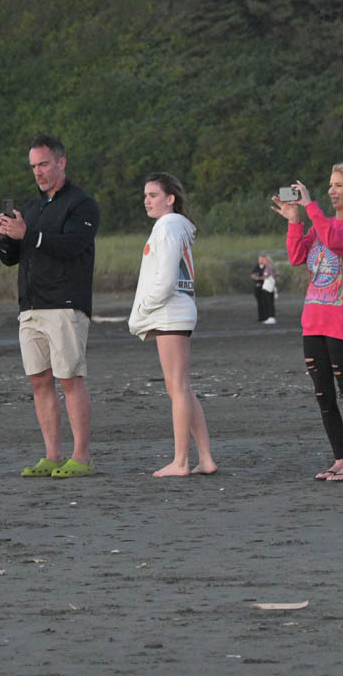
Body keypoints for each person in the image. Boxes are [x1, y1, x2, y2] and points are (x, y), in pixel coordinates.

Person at [271, 163, 343, 482]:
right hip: (314, 321)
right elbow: (296, 256)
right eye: (330, 186)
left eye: (338, 186)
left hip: (341, 322)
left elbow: (333, 240)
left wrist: (310, 206)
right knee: (323, 394)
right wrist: (295, 222)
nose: (331, 191)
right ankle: (340, 459)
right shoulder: (320, 225)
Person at [0, 134, 99, 478]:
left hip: (66, 304)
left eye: (43, 164)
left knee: (70, 378)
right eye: (33, 166)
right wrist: (5, 240)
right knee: (39, 380)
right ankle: (52, 456)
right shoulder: (31, 207)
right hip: (31, 304)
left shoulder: (81, 204)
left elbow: (72, 246)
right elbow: (13, 258)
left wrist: (30, 236)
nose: (37, 172)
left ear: (61, 162)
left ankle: (81, 457)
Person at [128, 173, 217, 477]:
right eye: (145, 195)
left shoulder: (167, 227)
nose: (147, 201)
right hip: (177, 310)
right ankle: (204, 458)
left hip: (171, 312)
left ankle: (180, 461)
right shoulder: (174, 227)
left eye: (153, 194)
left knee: (177, 388)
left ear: (170, 199)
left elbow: (165, 279)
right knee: (182, 388)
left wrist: (144, 307)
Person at [251, 254, 277, 324]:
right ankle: (265, 317)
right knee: (264, 302)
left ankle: (271, 317)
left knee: (269, 301)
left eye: (263, 259)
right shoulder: (268, 266)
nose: (261, 261)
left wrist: (259, 278)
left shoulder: (268, 266)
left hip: (268, 286)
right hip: (265, 286)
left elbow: (267, 275)